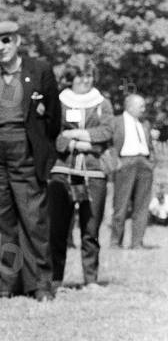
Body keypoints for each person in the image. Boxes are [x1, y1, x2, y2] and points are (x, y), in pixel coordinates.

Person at [0, 21, 60, 301]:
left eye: (6, 41)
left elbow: (53, 119)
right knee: (1, 222)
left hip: (27, 154)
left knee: (34, 221)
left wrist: (39, 148)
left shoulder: (39, 70)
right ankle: (9, 281)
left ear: (17, 41)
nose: (1, 48)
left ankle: (40, 283)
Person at [47, 54, 114, 287]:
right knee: (58, 227)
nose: (85, 81)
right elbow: (53, 134)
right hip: (63, 170)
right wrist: (75, 144)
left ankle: (91, 279)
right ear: (71, 78)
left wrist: (76, 136)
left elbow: (107, 132)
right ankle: (55, 278)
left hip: (94, 172)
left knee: (91, 227)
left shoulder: (102, 103)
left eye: (89, 76)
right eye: (80, 76)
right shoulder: (61, 101)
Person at [110, 93, 158, 249]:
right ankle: (116, 242)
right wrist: (115, 162)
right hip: (125, 163)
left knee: (142, 206)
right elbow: (110, 144)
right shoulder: (116, 122)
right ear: (129, 106)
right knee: (121, 205)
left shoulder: (144, 124)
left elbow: (150, 145)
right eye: (141, 106)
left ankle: (137, 242)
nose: (144, 109)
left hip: (144, 164)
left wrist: (151, 162)